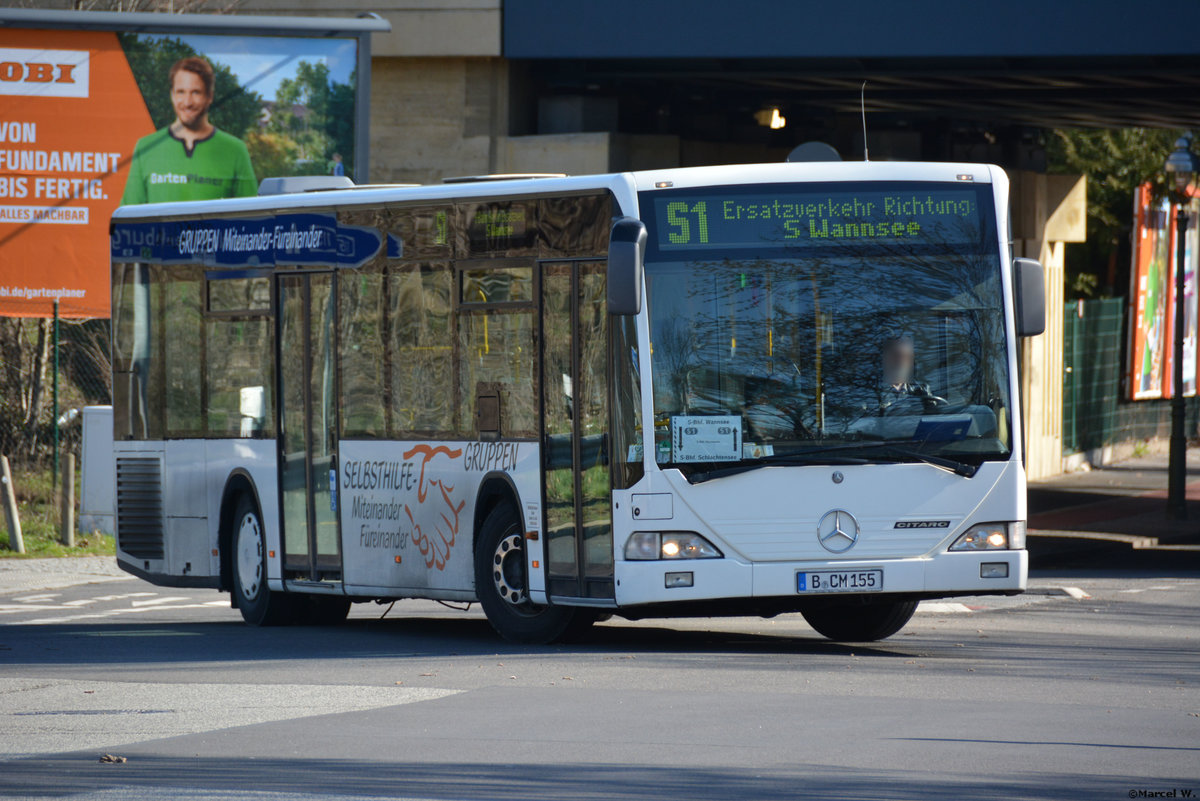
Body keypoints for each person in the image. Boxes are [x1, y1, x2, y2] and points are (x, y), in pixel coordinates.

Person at [122, 56, 257, 205]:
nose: (187, 102)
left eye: (196, 92)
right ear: (172, 95)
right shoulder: (145, 147)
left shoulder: (236, 151)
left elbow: (251, 221)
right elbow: (128, 220)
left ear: (209, 96)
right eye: (181, 92)